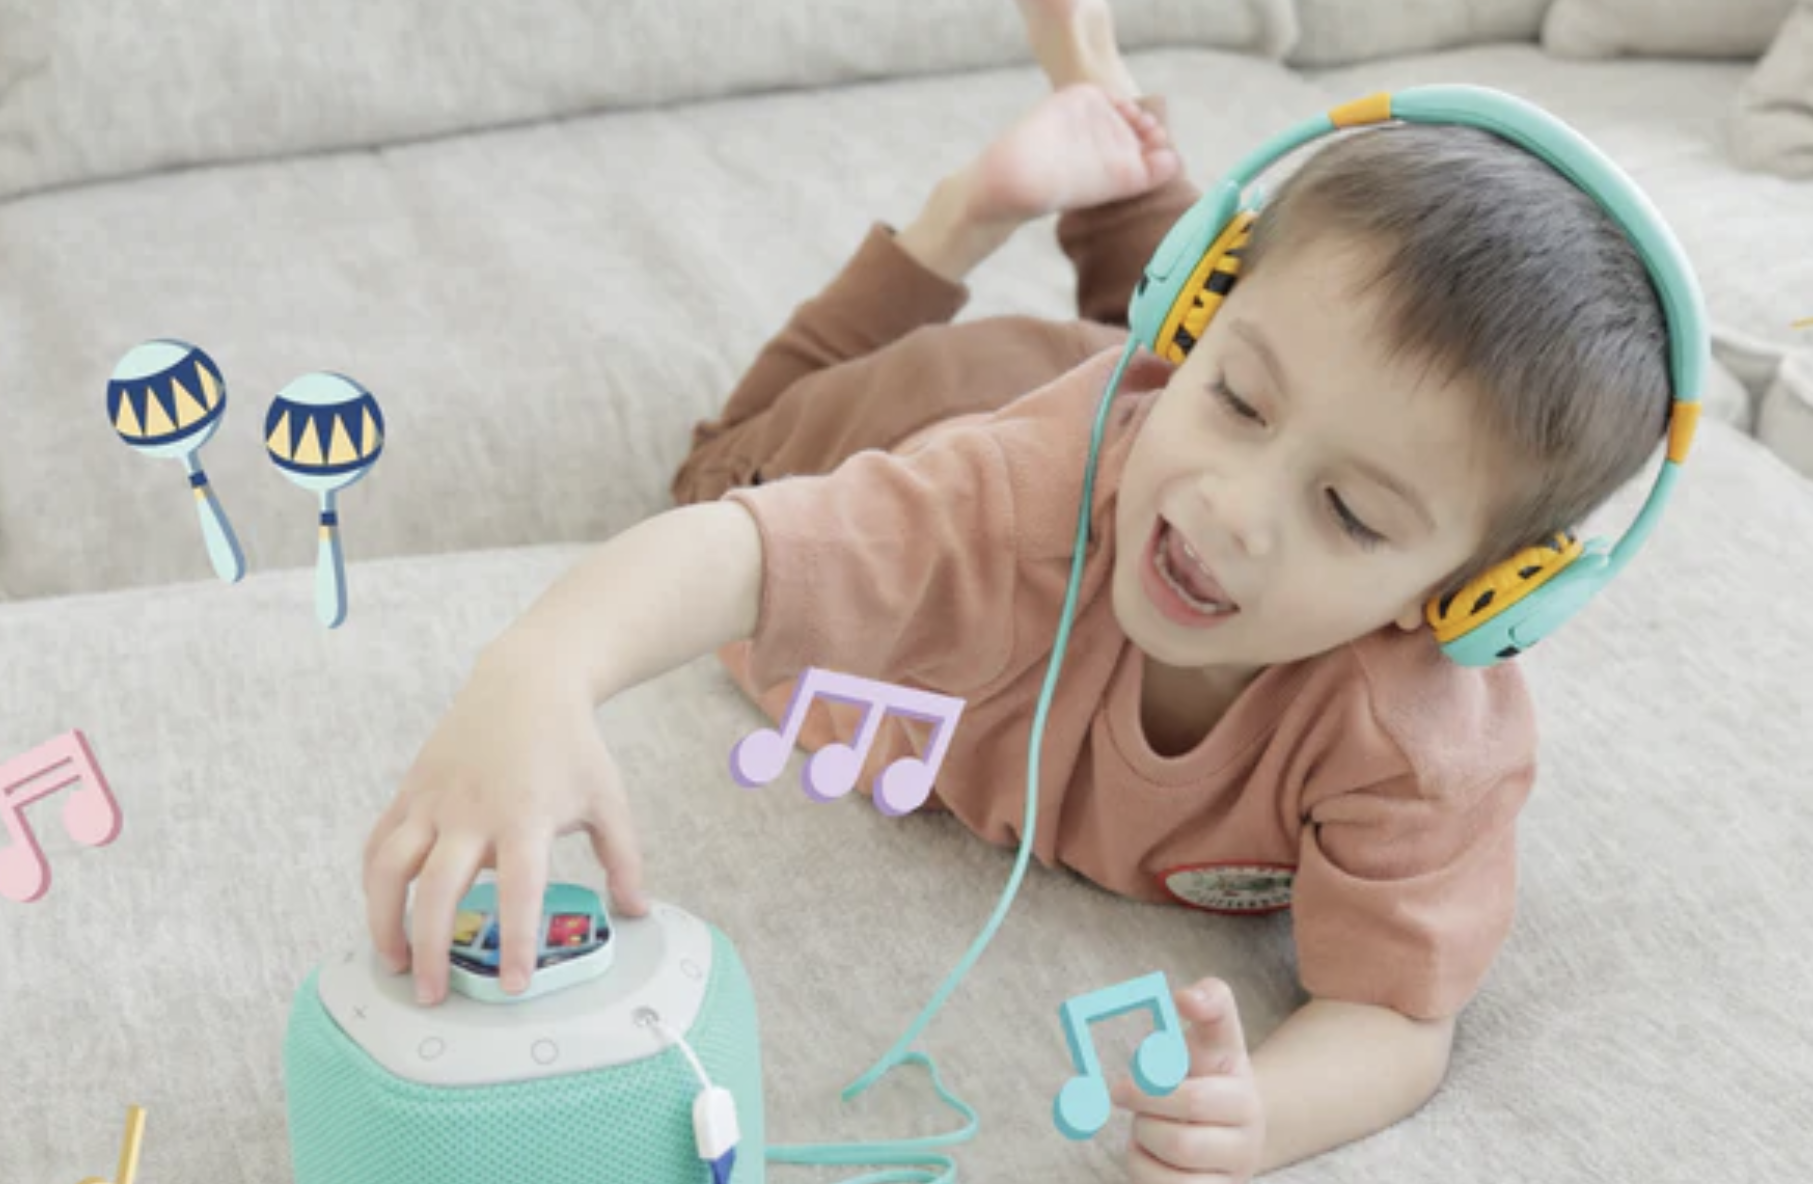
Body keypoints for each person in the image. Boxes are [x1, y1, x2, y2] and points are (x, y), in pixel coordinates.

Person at [364, 0, 1673, 1177]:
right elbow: (737, 552)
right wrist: (534, 670)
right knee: (715, 467)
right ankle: (975, 211)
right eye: (1235, 390)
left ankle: (1108, 150)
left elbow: (1392, 1015)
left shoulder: (1418, 747)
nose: (1235, 509)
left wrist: (1263, 1111)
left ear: (1476, 597)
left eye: (1346, 512)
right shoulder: (999, 499)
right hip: (962, 403)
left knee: (1215, 377)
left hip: (1125, 392)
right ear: (1201, 315)